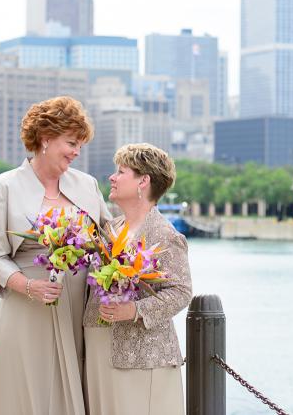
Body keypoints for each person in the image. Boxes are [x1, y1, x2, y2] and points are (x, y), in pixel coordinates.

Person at [0, 96, 111, 415]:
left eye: (80, 144)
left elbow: (109, 239)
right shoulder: (2, 188)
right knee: (25, 393)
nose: (77, 151)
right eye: (71, 142)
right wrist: (28, 286)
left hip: (79, 308)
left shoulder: (87, 185)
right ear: (45, 138)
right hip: (28, 307)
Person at [84, 143, 192, 415]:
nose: (112, 177)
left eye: (121, 171)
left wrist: (134, 310)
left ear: (143, 181)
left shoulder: (165, 235)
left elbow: (181, 291)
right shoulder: (111, 229)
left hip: (142, 358)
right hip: (99, 349)